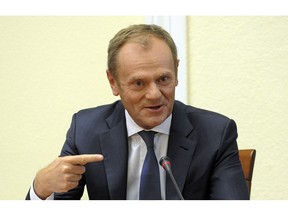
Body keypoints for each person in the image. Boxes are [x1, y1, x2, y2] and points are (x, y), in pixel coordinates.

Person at [26, 24, 249, 200]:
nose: (154, 94)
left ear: (176, 72)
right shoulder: (85, 129)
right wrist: (40, 189)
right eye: (139, 83)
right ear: (113, 82)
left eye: (163, 79)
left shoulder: (216, 133)